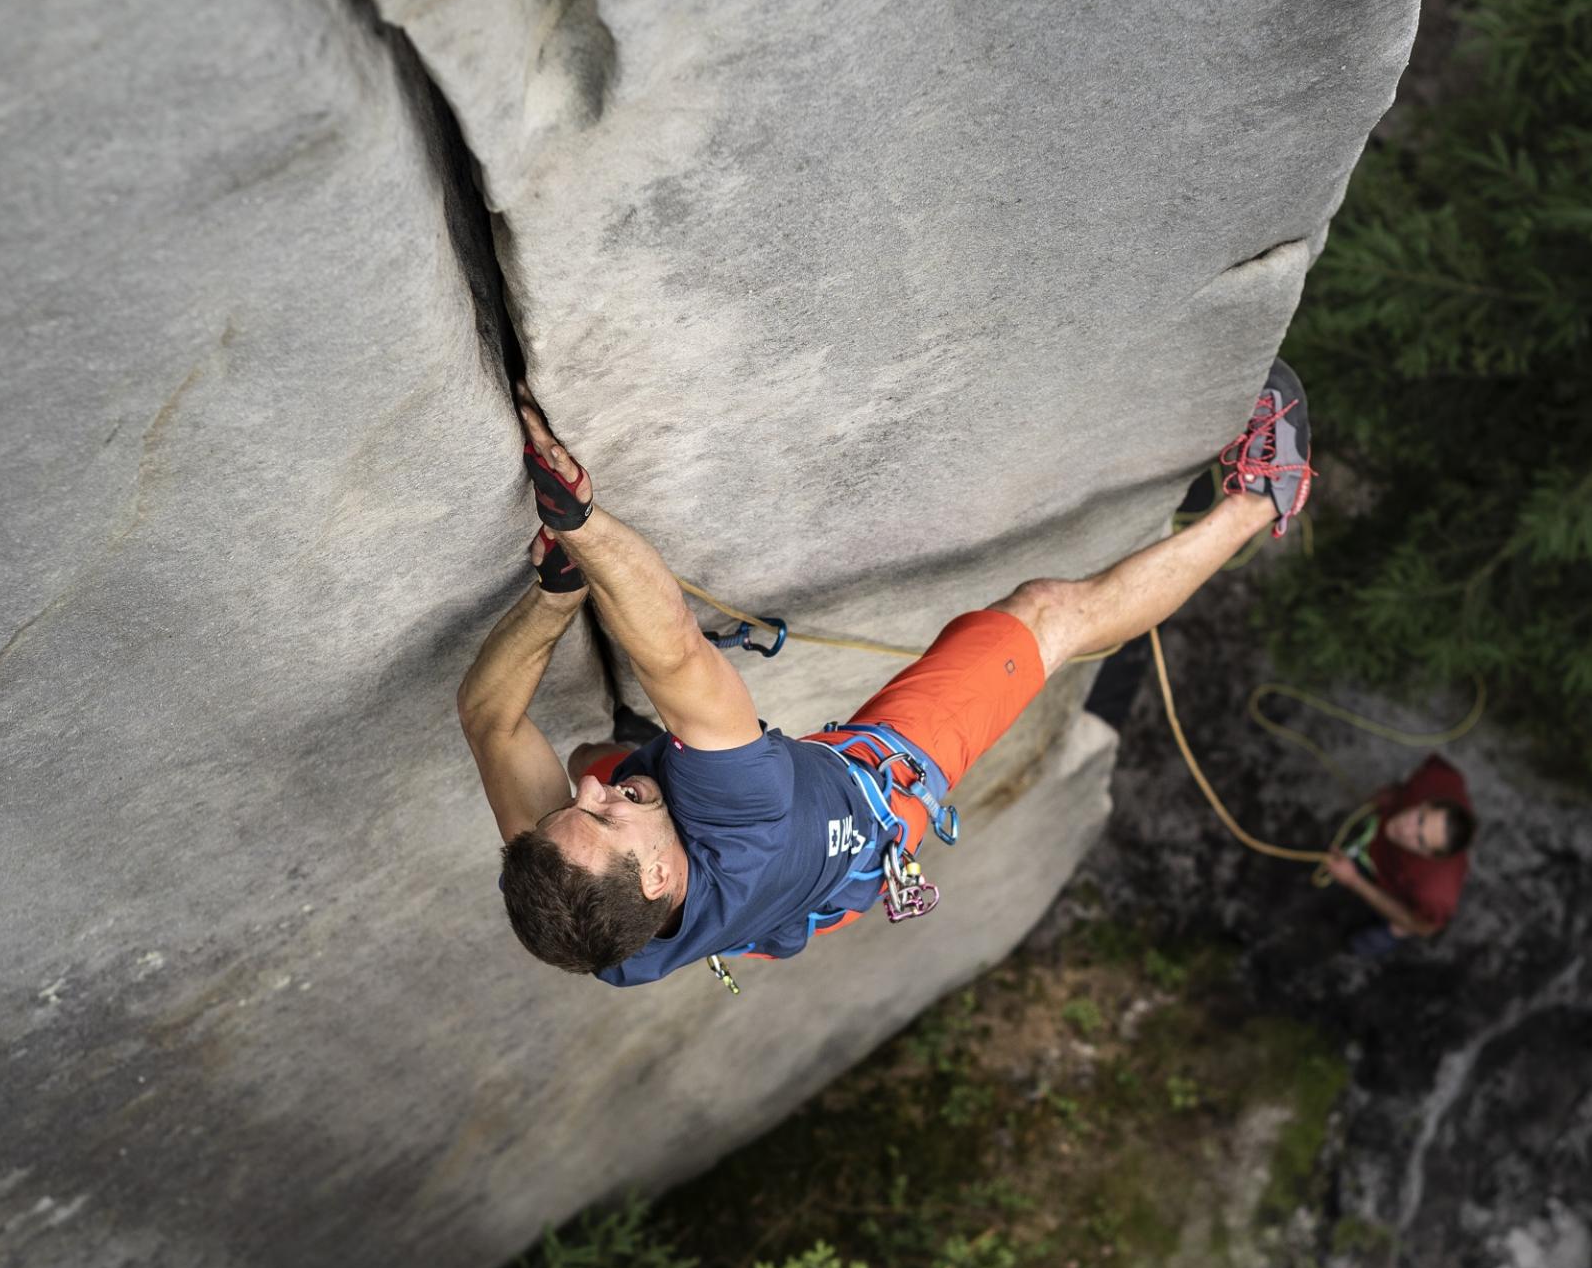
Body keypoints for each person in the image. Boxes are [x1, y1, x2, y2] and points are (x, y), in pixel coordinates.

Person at [458, 362, 1316, 987]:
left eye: (577, 818)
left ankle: (636, 759)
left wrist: (553, 595)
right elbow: (675, 649)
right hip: (878, 796)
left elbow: (488, 718)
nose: (595, 803)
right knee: (1050, 616)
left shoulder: (595, 935)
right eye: (605, 821)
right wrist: (581, 525)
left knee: (583, 758)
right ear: (655, 878)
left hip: (791, 895)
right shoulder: (741, 816)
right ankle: (1263, 498)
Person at [1320, 755, 1476, 954]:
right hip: (1383, 857)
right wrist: (1397, 792)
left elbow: (1423, 927)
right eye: (1419, 819)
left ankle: (1391, 934)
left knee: (1364, 943)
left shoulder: (1436, 892)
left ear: (1431, 855)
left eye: (1419, 841)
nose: (1405, 830)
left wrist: (1354, 881)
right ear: (1426, 803)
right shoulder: (1438, 778)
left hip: (1407, 904)